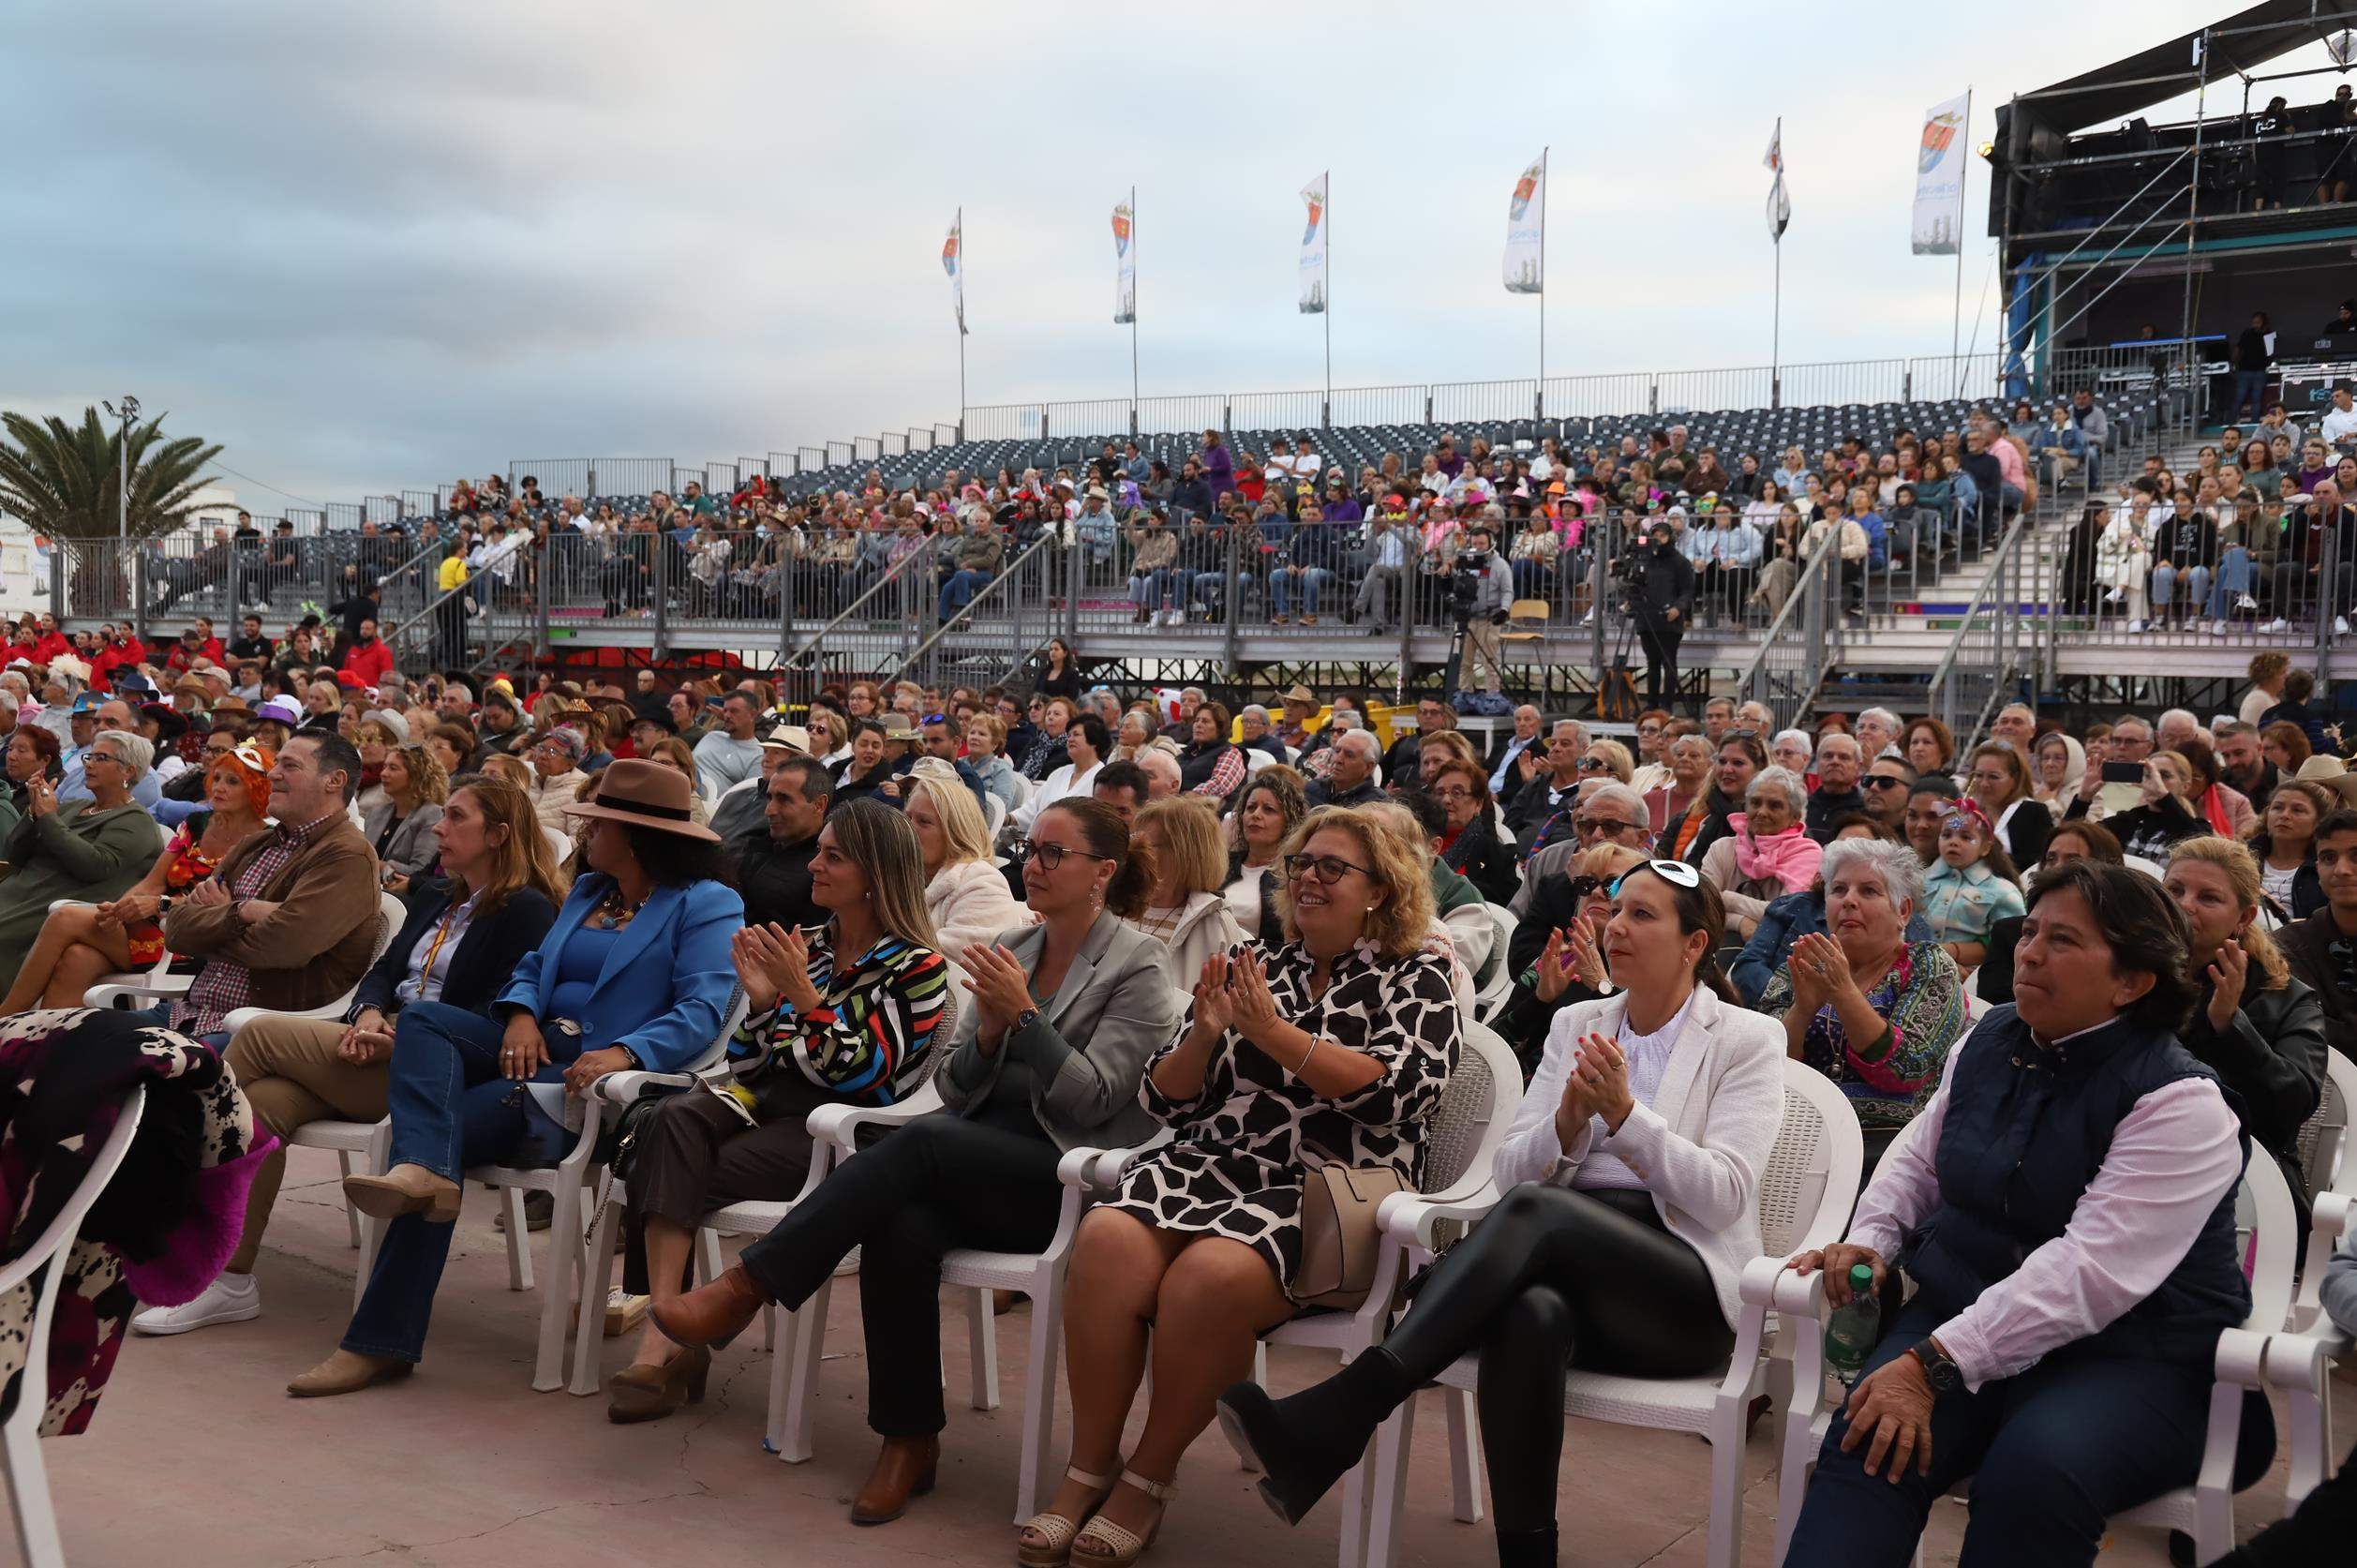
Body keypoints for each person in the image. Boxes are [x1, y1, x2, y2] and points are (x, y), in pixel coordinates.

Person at [1216, 860, 1779, 1568]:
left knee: (1539, 1212)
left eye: (1642, 915)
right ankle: (1526, 1556)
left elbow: (1724, 1193)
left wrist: (1626, 1118)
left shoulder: (1746, 1038)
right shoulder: (1578, 1018)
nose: (1617, 927)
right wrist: (1567, 1124)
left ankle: (1351, 1404)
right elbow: (1510, 1169)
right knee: (1527, 1314)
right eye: (1615, 909)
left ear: (1694, 944)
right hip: (1566, 1267)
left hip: (1681, 1298)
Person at [648, 799, 1177, 1526]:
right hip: (972, 1162)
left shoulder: (1138, 962)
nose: (1033, 863)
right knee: (899, 1224)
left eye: (1055, 853)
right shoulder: (1015, 946)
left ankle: (746, 1285)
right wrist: (989, 1035)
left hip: (1063, 1178)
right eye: (1030, 847)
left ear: (1102, 873)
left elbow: (1097, 1101)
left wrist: (1023, 1019)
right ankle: (908, 1439)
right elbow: (955, 1086)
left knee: (922, 1142)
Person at [1780, 861, 2271, 1567]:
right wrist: (1871, 1241)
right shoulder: (1992, 1037)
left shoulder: (2179, 1102)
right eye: (2030, 930)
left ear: (2132, 980)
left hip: (2136, 1356)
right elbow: (1920, 1157)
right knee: (1866, 1440)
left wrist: (1931, 1365)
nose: (2029, 950)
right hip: (1966, 1313)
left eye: (2063, 940)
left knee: (2033, 1475)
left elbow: (2088, 1273)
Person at [1024, 806, 1461, 1563]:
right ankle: (1087, 1466)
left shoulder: (1419, 972)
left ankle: (1147, 1479)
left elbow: (1399, 1093)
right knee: (1105, 1240)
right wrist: (1203, 1031)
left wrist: (1271, 1034)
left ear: (1381, 890)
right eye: (1300, 866)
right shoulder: (1263, 961)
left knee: (1207, 1277)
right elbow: (1164, 1100)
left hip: (1331, 1193)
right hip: (1213, 1166)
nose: (1308, 880)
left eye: (1332, 867)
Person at [289, 759, 741, 1396]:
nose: (583, 833)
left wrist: (627, 1053)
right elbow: (532, 965)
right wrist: (523, 1012)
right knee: (424, 1021)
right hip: (524, 1050)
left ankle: (379, 1340)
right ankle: (422, 1187)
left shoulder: (705, 904)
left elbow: (703, 1008)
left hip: (591, 1087)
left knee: (434, 1148)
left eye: (597, 823)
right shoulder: (588, 892)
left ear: (637, 835)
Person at [135, 779, 564, 1336]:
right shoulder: (438, 895)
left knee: (258, 1038)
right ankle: (227, 1281)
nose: (439, 826)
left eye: (456, 818)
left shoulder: (527, 911)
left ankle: (158, 1217)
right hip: (369, 1046)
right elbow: (383, 974)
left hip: (431, 1071)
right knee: (256, 1107)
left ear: (500, 835)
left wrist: (401, 1031)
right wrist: (367, 1013)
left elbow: (498, 1007)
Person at [605, 799, 947, 1422]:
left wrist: (801, 1001)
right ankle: (669, 1329)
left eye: (832, 856)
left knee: (659, 1163)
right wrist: (764, 1009)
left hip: (839, 1131)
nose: (812, 864)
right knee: (671, 1118)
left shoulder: (917, 966)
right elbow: (746, 1063)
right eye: (818, 849)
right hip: (766, 1106)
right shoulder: (808, 945)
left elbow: (861, 1071)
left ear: (876, 872)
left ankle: (664, 1342)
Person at [0, 740, 270, 1015]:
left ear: (256, 788)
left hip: (191, 941)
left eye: (233, 781)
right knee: (78, 958)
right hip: (146, 927)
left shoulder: (262, 842)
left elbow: (226, 906)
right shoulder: (195, 824)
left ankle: (6, 1018)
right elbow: (151, 883)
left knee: (64, 918)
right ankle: (38, 1045)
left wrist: (160, 904)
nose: (219, 787)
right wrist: (117, 910)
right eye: (218, 778)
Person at [1759, 837, 1964, 1169]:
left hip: (1888, 1150)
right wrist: (1803, 1010)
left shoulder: (1929, 965)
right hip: (1793, 1136)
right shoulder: (1803, 962)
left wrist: (1843, 991)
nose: (1849, 901)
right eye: (1838, 890)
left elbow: (1907, 1067)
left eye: (1869, 891)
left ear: (1903, 911)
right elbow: (1764, 1064)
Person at [2160, 837, 2326, 1215]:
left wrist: (2230, 1024)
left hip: (2247, 1188)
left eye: (2209, 898)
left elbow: (2291, 1107)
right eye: (2175, 890)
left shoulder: (2288, 998)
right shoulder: (2128, 977)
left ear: (2244, 918)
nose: (2184, 905)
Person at [0, 731, 165, 993]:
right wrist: (33, 812)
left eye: (101, 758)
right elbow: (14, 853)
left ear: (128, 771)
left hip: (47, 909)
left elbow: (95, 866)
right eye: (89, 756)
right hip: (17, 894)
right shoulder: (72, 807)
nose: (88, 764)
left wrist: (49, 819)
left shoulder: (135, 821)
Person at [902, 759, 1029, 955]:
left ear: (955, 830)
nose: (908, 828)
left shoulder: (982, 884)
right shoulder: (902, 874)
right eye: (907, 817)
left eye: (924, 821)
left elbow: (950, 969)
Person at [1126, 796, 1249, 982]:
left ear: (1184, 854)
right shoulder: (1117, 908)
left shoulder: (1217, 925)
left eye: (1146, 846)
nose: (1132, 854)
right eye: (1133, 842)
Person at [1698, 765, 1823, 939]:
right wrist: (1741, 922)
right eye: (1755, 803)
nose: (1762, 812)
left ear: (1794, 817)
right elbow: (1701, 908)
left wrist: (1726, 899)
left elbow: (1790, 913)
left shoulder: (1807, 854)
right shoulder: (1722, 848)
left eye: (1775, 805)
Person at [2280, 807, 2357, 1065]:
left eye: (2356, 856)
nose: (2342, 870)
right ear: (2317, 870)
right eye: (2329, 858)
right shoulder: (2287, 946)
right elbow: (2307, 1031)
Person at [1920, 799, 2025, 974]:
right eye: (1946, 834)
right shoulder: (1920, 880)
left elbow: (2009, 945)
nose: (1953, 842)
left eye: (1966, 837)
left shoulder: (2002, 891)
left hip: (1970, 977)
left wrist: (1953, 952)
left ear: (1985, 847)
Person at [2066, 751, 2207, 860]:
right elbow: (2069, 837)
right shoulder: (2126, 821)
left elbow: (2199, 846)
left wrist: (2164, 796)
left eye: (2164, 775)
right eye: (2149, 774)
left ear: (2186, 786)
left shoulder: (2197, 826)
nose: (2155, 780)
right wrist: (2083, 798)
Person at [1224, 768, 1306, 944]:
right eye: (1251, 807)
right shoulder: (1221, 863)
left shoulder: (1293, 875)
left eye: (1268, 809)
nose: (1256, 815)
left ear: (1289, 821)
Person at [1428, 756, 1519, 905]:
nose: (1445, 800)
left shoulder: (1497, 855)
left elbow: (1504, 906)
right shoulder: (1415, 841)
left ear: (1478, 804)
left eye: (1457, 793)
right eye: (1439, 792)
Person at [1631, 518, 1695, 710]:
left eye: (1662, 536)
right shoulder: (1645, 560)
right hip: (1647, 617)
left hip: (1669, 618)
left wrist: (1678, 608)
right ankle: (1651, 705)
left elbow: (1688, 591)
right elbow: (1636, 586)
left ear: (1670, 537)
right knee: (1652, 663)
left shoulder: (1680, 562)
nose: (1658, 540)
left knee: (1669, 662)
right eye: (1655, 536)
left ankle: (1666, 705)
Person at [364, 742, 449, 886]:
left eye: (393, 768)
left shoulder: (432, 814)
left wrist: (376, 865)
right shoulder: (376, 813)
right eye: (385, 766)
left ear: (415, 775)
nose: (383, 773)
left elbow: (419, 871)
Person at [1013, 712, 1108, 834]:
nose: (1070, 739)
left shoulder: (1102, 778)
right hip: (1036, 840)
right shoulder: (1059, 773)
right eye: (1069, 735)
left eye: (1076, 735)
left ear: (1094, 741)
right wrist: (1007, 818)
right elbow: (1032, 809)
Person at [2248, 778, 2330, 919]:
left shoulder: (2324, 868)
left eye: (2298, 810)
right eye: (2277, 808)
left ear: (2318, 822)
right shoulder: (2242, 858)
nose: (2284, 815)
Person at [1177, 701, 1246, 801]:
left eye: (1205, 721)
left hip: (1209, 812)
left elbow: (1220, 784)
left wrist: (1181, 799)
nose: (1198, 725)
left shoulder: (1231, 753)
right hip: (1177, 807)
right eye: (1196, 720)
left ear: (1220, 728)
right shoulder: (1187, 753)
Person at [1803, 733, 1865, 843]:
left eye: (1844, 757)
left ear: (1857, 767)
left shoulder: (1866, 813)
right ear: (1817, 764)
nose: (1835, 761)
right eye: (1828, 756)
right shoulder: (1802, 808)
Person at [1305, 726, 1383, 809]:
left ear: (1368, 767)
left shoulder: (1376, 807)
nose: (1338, 759)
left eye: (1349, 755)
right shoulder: (1312, 788)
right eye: (1337, 751)